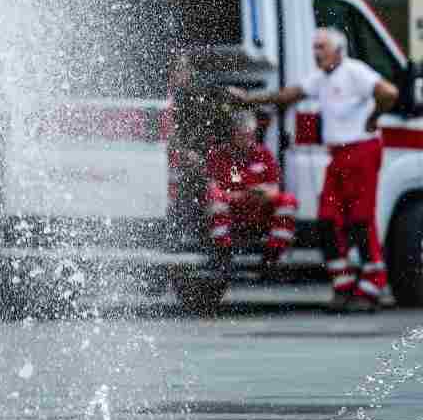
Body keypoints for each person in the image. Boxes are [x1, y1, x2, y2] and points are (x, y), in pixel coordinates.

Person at [230, 27, 399, 313]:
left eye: (321, 47)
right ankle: (343, 286)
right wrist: (249, 100)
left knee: (360, 220)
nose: (316, 52)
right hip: (338, 155)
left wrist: (373, 118)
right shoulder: (321, 79)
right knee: (327, 220)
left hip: (361, 150)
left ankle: (372, 286)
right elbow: (287, 96)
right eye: (315, 47)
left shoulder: (354, 71)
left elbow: (389, 92)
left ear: (338, 50)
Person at [203, 111, 298, 274]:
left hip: (258, 209)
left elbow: (274, 188)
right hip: (232, 210)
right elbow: (212, 189)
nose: (248, 140)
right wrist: (238, 195)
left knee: (288, 201)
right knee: (215, 200)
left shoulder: (263, 154)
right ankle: (223, 254)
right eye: (243, 135)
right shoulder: (219, 155)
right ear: (233, 134)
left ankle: (271, 259)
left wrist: (262, 192)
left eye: (250, 135)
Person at [167, 51, 234, 244]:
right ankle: (186, 234)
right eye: (175, 70)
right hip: (184, 160)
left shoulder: (196, 96)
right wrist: (185, 151)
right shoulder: (172, 97)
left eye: (183, 69)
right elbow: (172, 133)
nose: (179, 74)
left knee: (215, 184)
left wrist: (198, 157)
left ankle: (213, 238)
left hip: (202, 161)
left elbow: (207, 130)